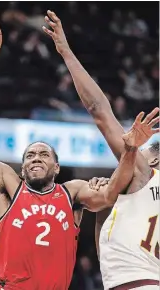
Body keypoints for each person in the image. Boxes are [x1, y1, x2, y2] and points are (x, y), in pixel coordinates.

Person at [0, 54, 157, 289]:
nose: (36, 159)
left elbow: (110, 194)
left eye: (43, 155)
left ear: (56, 167)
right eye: (30, 156)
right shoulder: (8, 186)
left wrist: (129, 150)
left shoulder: (72, 192)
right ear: (23, 167)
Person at [43, 10, 159, 289]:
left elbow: (99, 111)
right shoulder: (137, 188)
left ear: (153, 157)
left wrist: (66, 53)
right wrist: (107, 204)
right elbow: (105, 248)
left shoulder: (143, 171)